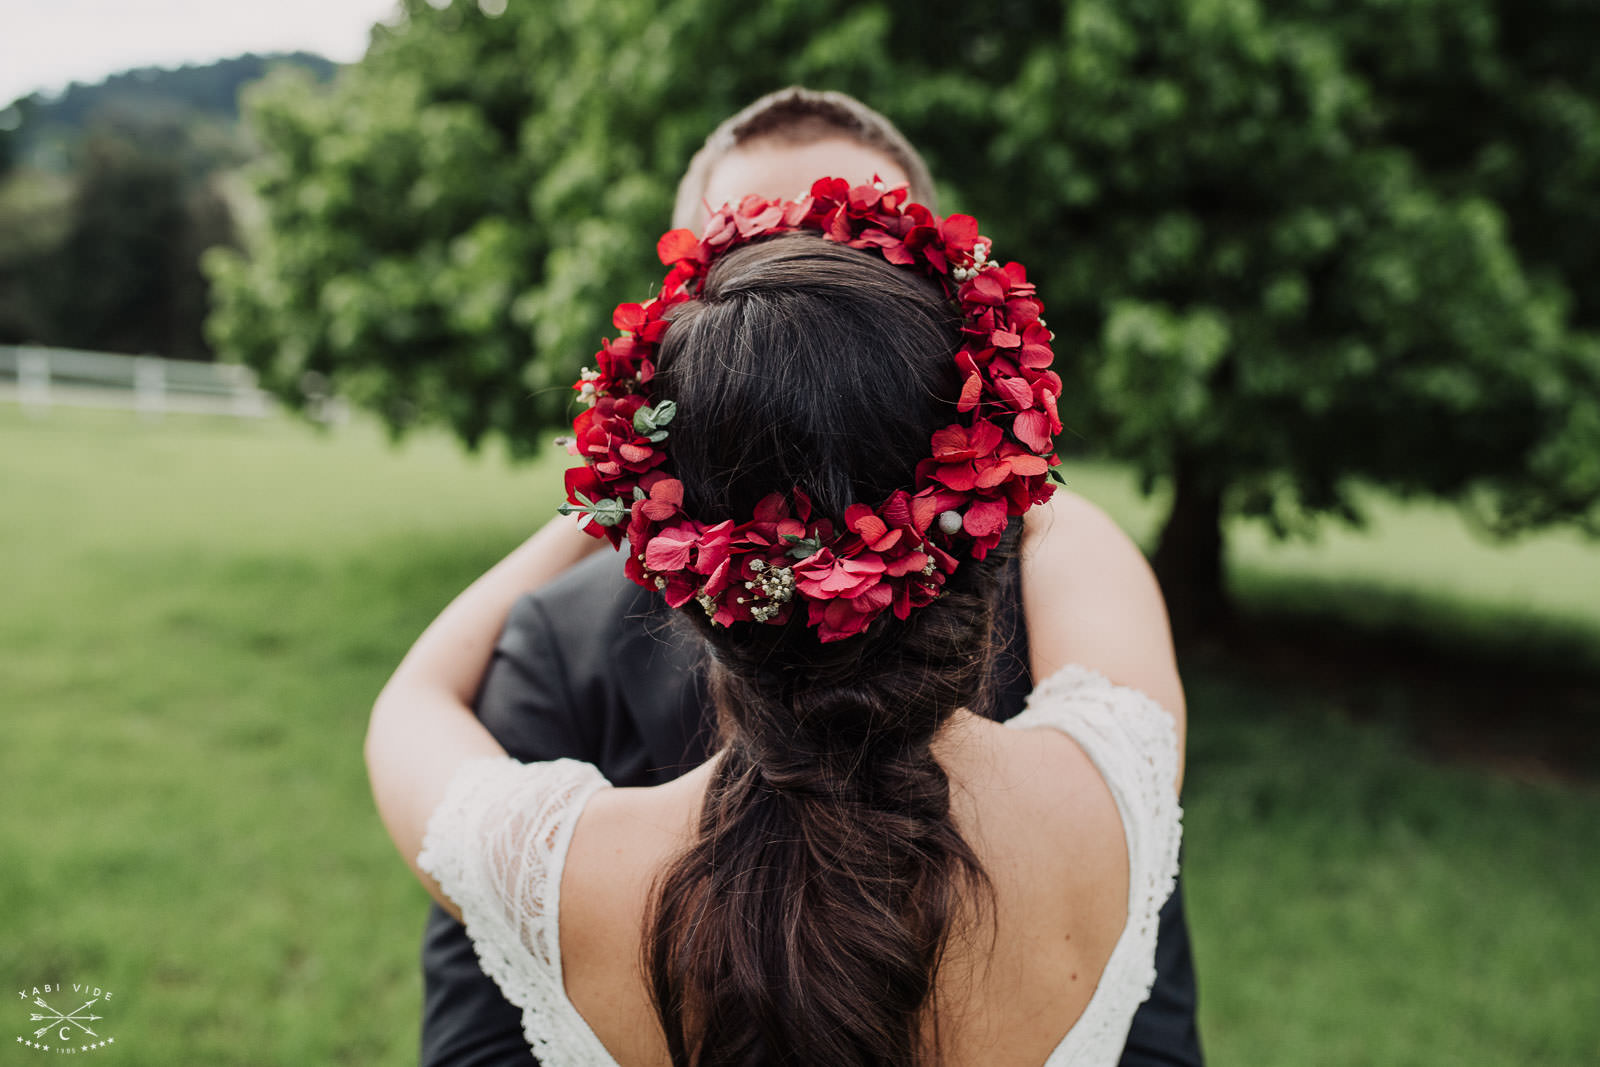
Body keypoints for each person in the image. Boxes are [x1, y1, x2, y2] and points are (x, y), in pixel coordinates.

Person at [415, 89, 1201, 1066]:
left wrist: (608, 498)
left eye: (854, 261)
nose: (808, 329)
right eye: (755, 266)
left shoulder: (568, 870)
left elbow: (1158, 1032)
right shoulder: (1099, 763)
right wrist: (1005, 449)